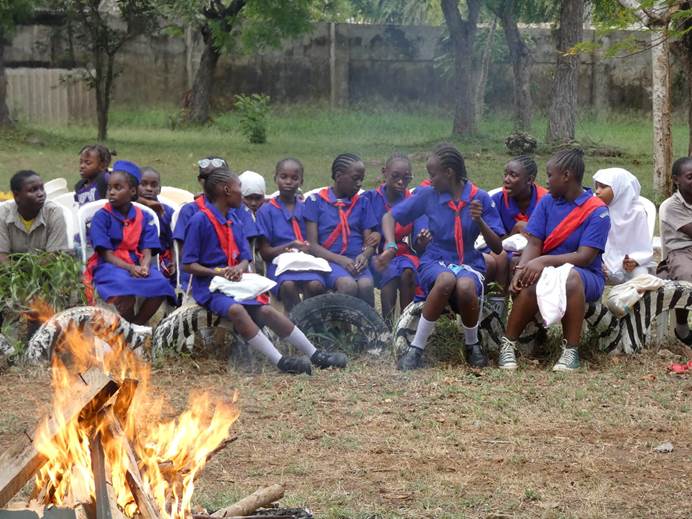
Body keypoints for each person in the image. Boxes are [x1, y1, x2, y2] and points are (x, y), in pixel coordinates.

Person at [181, 166, 347, 374]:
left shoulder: (235, 219)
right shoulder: (200, 220)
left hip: (235, 283)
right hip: (210, 287)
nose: (241, 193)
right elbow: (188, 265)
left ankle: (316, 355)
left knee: (267, 310)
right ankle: (280, 361)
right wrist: (219, 272)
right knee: (236, 310)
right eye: (239, 188)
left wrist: (239, 268)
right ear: (226, 190)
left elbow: (245, 257)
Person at [377, 143, 505, 370]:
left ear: (449, 173)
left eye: (433, 174)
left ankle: (471, 344)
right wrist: (390, 246)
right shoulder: (428, 195)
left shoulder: (480, 198)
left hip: (468, 261)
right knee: (445, 279)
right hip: (435, 259)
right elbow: (390, 217)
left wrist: (480, 222)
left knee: (465, 286)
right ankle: (416, 348)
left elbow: (496, 248)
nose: (430, 180)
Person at [498, 148, 610, 372]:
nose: (546, 181)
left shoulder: (597, 211)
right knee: (532, 279)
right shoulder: (548, 202)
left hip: (585, 275)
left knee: (570, 277)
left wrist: (542, 262)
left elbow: (584, 257)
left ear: (566, 176)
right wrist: (521, 270)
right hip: (549, 269)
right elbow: (534, 243)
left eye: (550, 175)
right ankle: (507, 344)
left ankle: (570, 351)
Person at [85, 160, 175, 325]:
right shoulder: (101, 216)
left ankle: (137, 325)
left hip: (136, 262)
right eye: (109, 188)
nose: (111, 192)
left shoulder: (144, 216)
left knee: (162, 284)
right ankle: (126, 328)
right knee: (123, 286)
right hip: (109, 265)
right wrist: (130, 268)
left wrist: (145, 266)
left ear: (132, 191)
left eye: (118, 188)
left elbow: (147, 249)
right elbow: (106, 254)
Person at [173, 157, 259, 291]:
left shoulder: (238, 212)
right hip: (204, 278)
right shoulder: (191, 212)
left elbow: (247, 253)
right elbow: (185, 256)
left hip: (236, 275)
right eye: (208, 178)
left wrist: (242, 272)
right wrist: (218, 271)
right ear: (201, 181)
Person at [304, 153, 379, 306]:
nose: (359, 184)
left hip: (356, 262)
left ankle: (369, 328)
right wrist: (341, 260)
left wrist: (365, 255)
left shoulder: (362, 202)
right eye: (355, 178)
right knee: (348, 286)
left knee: (366, 286)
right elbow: (311, 245)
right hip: (329, 261)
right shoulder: (315, 202)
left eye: (361, 180)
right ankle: (342, 329)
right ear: (338, 176)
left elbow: (369, 241)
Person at [256, 158, 326, 312]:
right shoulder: (266, 211)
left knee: (316, 285)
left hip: (309, 264)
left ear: (301, 182)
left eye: (294, 178)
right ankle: (298, 326)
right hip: (279, 266)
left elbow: (318, 242)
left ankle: (310, 324)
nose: (289, 182)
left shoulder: (308, 207)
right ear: (275, 179)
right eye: (283, 177)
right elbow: (265, 253)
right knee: (288, 286)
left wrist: (309, 248)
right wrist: (291, 246)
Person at [367, 152, 421, 324]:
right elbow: (364, 229)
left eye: (406, 178)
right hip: (378, 254)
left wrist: (423, 237)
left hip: (404, 252)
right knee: (389, 272)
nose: (401, 182)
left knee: (408, 272)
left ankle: (405, 325)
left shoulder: (412, 201)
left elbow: (419, 237)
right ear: (384, 172)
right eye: (395, 176)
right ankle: (387, 325)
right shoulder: (370, 199)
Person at [486, 155, 547, 291]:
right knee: (501, 258)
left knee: (518, 262)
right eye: (505, 174)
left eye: (513, 175)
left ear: (529, 180)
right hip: (505, 251)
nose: (506, 179)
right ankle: (499, 302)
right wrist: (516, 230)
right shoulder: (497, 200)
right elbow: (496, 242)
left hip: (539, 252)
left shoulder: (545, 200)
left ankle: (517, 305)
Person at [592, 167, 652, 284]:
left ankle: (636, 302)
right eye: (597, 187)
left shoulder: (637, 212)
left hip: (628, 266)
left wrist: (635, 260)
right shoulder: (595, 210)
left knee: (642, 276)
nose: (598, 191)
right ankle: (595, 302)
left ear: (620, 189)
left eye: (603, 187)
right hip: (600, 264)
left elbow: (643, 245)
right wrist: (598, 261)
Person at [657, 157, 692, 346]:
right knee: (688, 275)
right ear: (676, 180)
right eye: (690, 177)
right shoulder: (671, 206)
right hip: (680, 252)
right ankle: (681, 326)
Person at [0, 170, 69, 262]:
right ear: (16, 195)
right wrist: (14, 274)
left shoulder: (54, 213)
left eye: (42, 188)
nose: (41, 194)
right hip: (11, 271)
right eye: (33, 190)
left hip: (47, 271)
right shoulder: (3, 214)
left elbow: (54, 254)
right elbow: (2, 255)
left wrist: (33, 274)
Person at [137, 166, 176, 284]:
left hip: (162, 258)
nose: (149, 189)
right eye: (143, 184)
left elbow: (173, 242)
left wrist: (174, 261)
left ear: (159, 189)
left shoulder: (168, 212)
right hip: (137, 257)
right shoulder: (130, 208)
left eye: (154, 185)